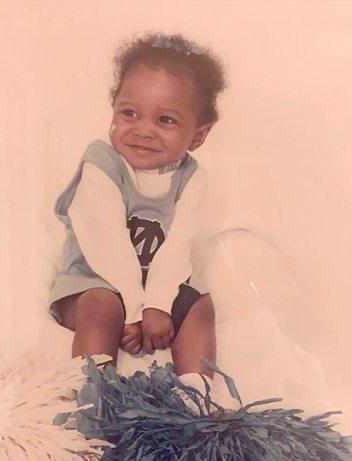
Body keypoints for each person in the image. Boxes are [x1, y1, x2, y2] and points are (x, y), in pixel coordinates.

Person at [49, 33, 223, 389]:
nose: (143, 130)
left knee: (201, 307)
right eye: (129, 113)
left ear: (198, 135)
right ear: (113, 108)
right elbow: (106, 245)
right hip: (93, 282)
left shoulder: (192, 179)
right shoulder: (102, 163)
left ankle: (197, 402)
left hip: (157, 287)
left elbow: (178, 247)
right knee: (102, 306)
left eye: (166, 121)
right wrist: (132, 311)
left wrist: (159, 306)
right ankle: (93, 401)